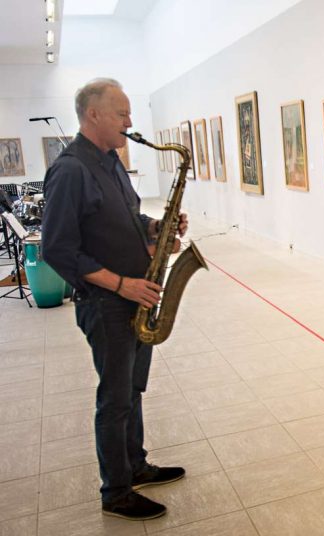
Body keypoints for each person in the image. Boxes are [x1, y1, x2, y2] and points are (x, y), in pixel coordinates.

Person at [42, 78, 187, 521]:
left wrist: (155, 228)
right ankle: (116, 491)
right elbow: (58, 249)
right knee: (115, 398)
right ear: (93, 115)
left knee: (132, 389)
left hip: (134, 296)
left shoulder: (110, 162)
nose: (130, 121)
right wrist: (121, 285)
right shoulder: (69, 170)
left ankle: (135, 465)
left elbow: (123, 218)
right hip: (107, 303)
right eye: (122, 114)